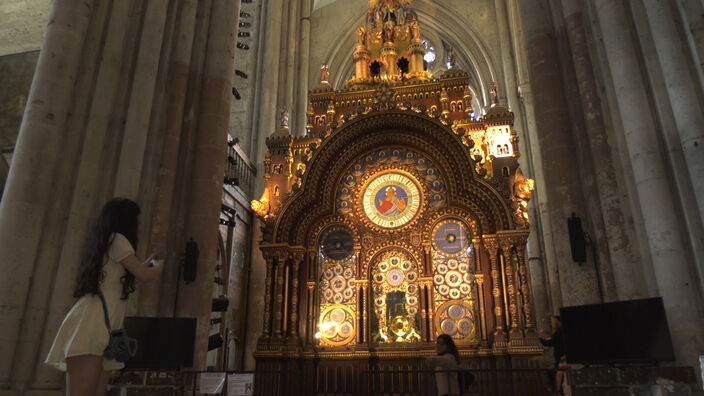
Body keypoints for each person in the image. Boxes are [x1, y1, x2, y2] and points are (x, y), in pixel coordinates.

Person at [45, 198, 165, 396]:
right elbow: (144, 275)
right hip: (93, 323)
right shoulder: (118, 239)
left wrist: (144, 264)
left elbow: (121, 274)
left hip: (107, 327)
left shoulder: (110, 241)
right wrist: (161, 266)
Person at [540, 315, 566, 395]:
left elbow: (551, 343)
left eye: (554, 322)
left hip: (561, 359)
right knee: (556, 382)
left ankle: (560, 392)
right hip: (558, 359)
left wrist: (541, 339)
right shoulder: (558, 332)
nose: (553, 324)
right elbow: (551, 343)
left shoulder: (560, 333)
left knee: (560, 381)